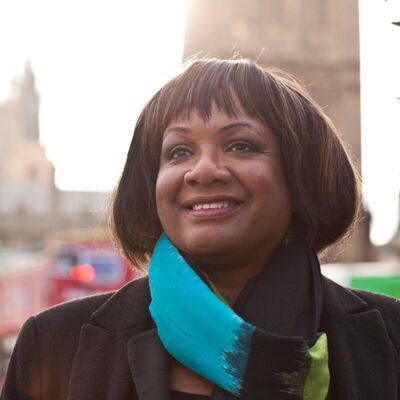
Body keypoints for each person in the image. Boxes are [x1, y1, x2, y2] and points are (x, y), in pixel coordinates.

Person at [2, 58, 400, 400]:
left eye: (241, 145)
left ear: (301, 177)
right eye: (179, 152)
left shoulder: (389, 336)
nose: (203, 169)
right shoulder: (54, 342)